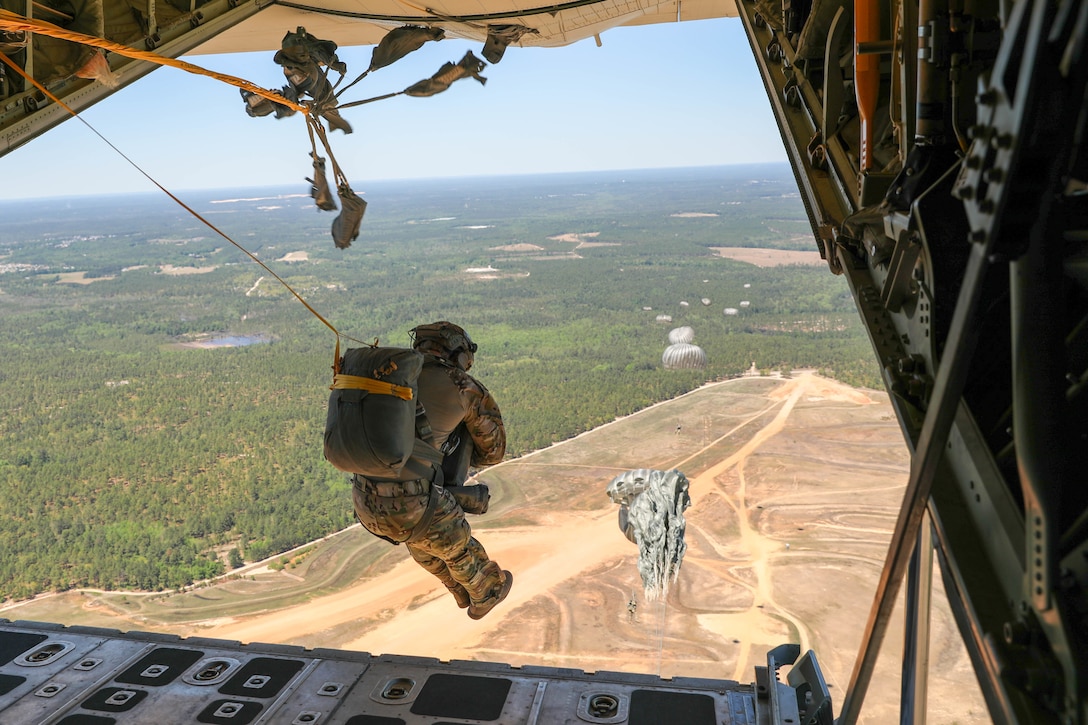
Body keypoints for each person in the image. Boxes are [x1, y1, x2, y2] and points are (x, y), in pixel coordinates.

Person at [351, 321, 513, 620]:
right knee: (460, 551)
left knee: (424, 540)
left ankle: (458, 591)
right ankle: (484, 595)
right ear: (459, 353)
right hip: (417, 506)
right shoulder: (461, 385)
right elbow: (492, 452)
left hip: (365, 502)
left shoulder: (386, 371)